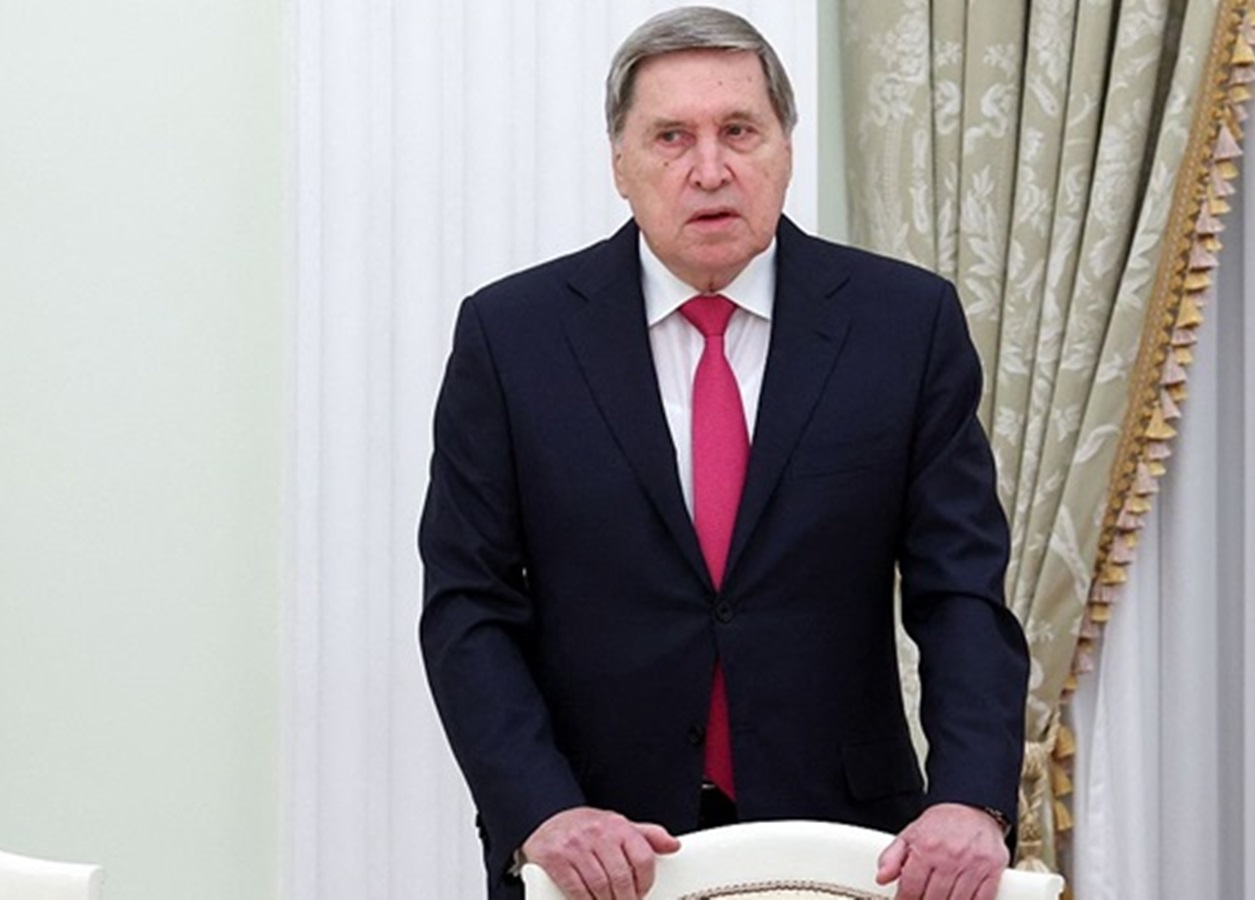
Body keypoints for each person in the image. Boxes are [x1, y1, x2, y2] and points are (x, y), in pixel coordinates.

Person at [419, 7, 1030, 900]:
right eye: (671, 137)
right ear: (620, 164)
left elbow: (961, 588)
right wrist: (543, 810)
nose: (710, 169)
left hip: (848, 849)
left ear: (785, 148)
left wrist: (972, 798)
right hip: (600, 852)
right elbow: (468, 604)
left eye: (739, 130)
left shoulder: (904, 325)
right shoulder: (512, 338)